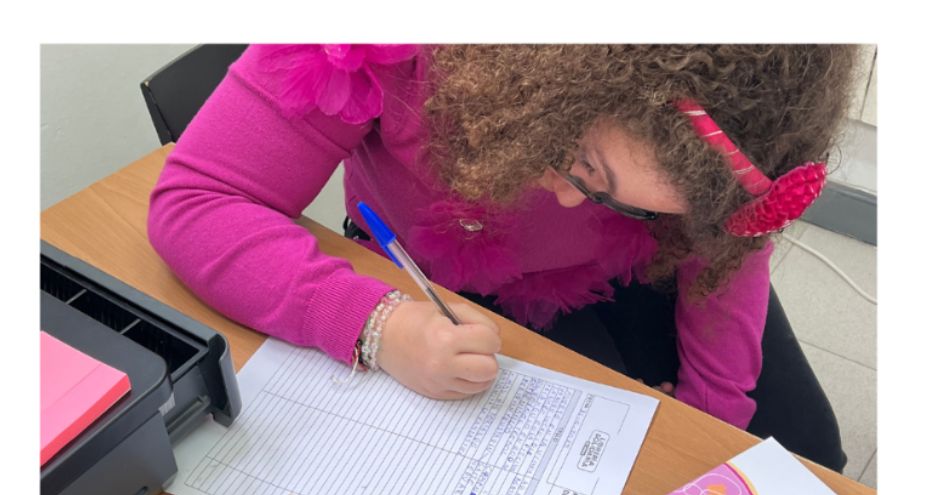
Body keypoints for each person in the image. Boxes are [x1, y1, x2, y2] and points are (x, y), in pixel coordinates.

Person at [148, 44, 858, 471]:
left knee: (803, 453)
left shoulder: (723, 139)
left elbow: (722, 254)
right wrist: (376, 325)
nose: (572, 200)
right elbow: (197, 203)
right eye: (580, 162)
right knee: (585, 474)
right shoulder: (391, 45)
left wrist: (713, 413)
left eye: (631, 197)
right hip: (443, 286)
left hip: (636, 271)